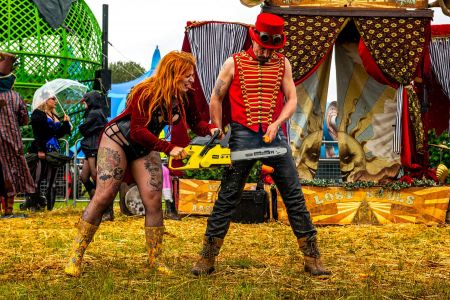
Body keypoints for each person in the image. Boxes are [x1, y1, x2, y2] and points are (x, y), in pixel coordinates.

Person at [192, 13, 331, 276]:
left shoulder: (283, 64)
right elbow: (216, 97)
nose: (266, 53)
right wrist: (217, 126)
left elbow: (292, 99)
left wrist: (278, 121)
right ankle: (206, 259)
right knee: (228, 196)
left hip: (274, 137)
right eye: (263, 47)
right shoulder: (233, 63)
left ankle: (312, 259)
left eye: (272, 49)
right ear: (255, 38)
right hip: (243, 136)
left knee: (294, 196)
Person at [64, 51, 219, 277]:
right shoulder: (145, 91)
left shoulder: (186, 95)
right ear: (173, 74)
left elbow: (196, 122)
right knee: (104, 195)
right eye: (187, 76)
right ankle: (75, 255)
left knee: (153, 199)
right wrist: (168, 148)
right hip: (119, 139)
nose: (192, 80)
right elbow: (137, 131)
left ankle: (155, 259)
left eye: (192, 76)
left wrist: (211, 129)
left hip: (144, 146)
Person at [22, 90, 72, 211]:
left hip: (54, 150)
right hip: (41, 149)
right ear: (45, 100)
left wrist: (65, 124)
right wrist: (40, 150)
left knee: (51, 180)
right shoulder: (37, 114)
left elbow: (57, 134)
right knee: (37, 179)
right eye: (53, 98)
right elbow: (39, 134)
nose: (55, 101)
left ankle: (50, 208)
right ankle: (34, 205)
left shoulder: (53, 115)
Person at [0, 51, 35, 217]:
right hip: (11, 141)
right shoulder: (15, 96)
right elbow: (24, 120)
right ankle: (8, 210)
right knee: (12, 172)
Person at [78, 91, 111, 220]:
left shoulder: (95, 113)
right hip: (90, 146)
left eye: (86, 101)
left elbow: (85, 129)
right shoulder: (95, 112)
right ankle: (95, 202)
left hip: (94, 146)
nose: (84, 104)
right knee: (84, 176)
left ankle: (104, 207)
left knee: (95, 175)